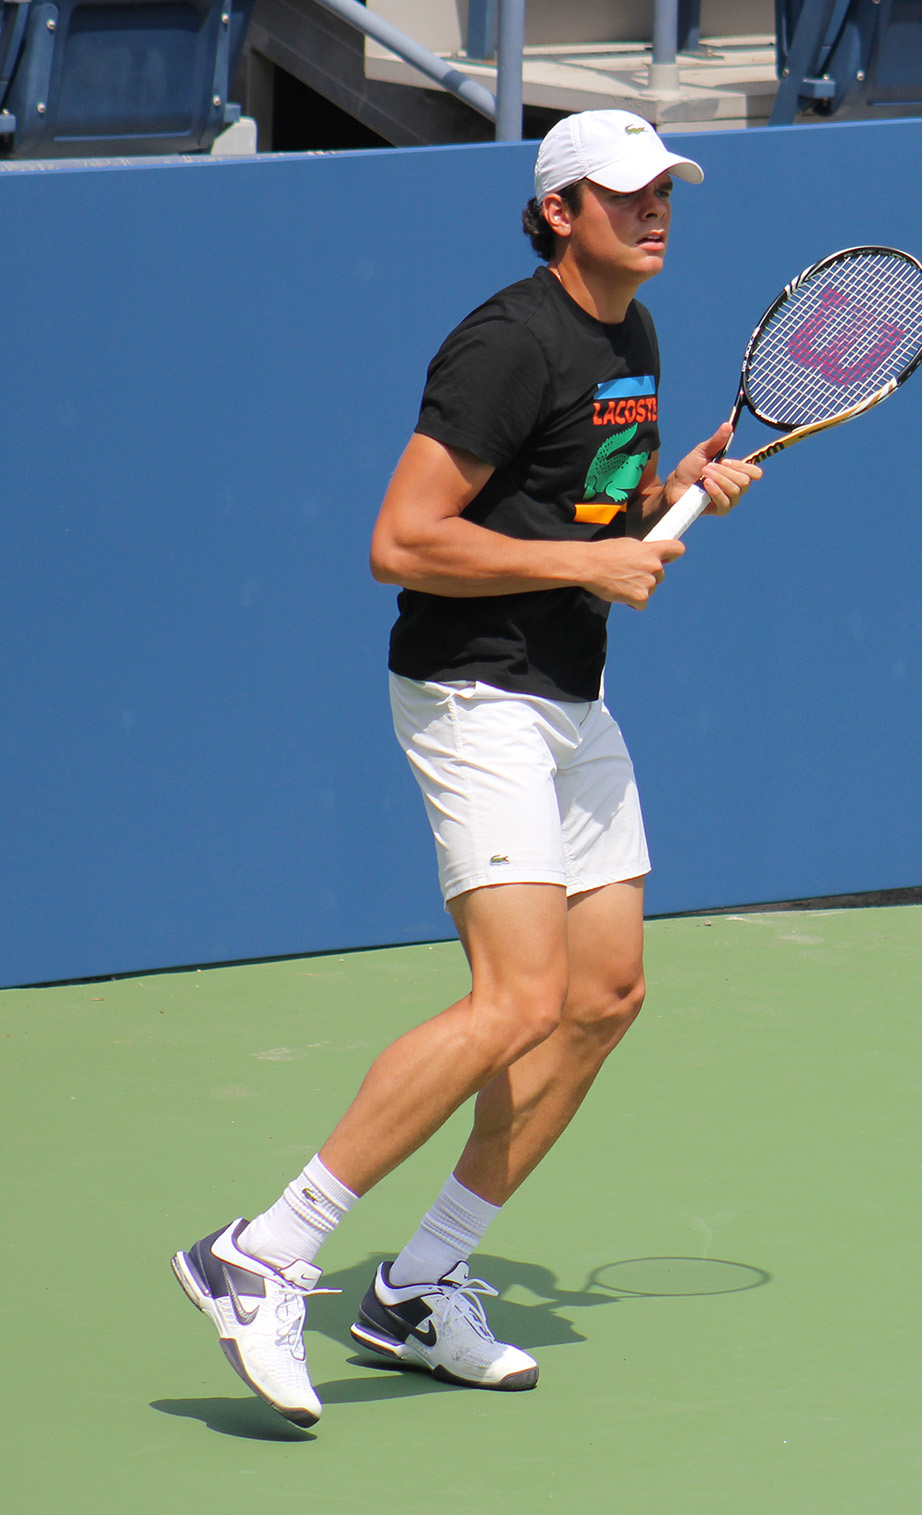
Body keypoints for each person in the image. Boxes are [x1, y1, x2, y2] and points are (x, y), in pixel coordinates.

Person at [171, 108, 761, 1429]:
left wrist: (672, 488)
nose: (656, 210)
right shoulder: (509, 342)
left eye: (666, 189)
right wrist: (586, 564)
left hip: (569, 693)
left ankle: (420, 1283)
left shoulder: (633, 336)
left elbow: (580, 506)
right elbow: (402, 539)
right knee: (516, 998)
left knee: (605, 992)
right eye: (625, 194)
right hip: (474, 691)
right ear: (561, 212)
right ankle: (260, 1253)